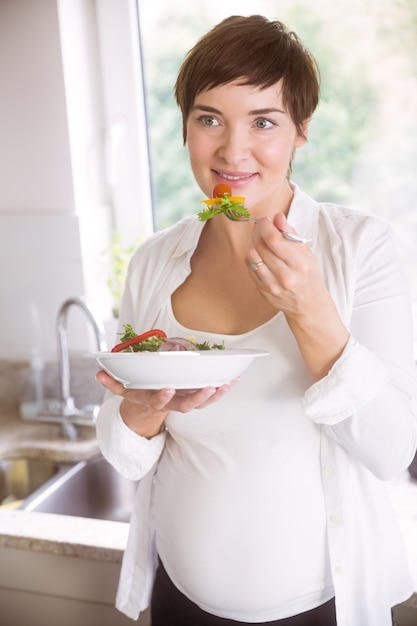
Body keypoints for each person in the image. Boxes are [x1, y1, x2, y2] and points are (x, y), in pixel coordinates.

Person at [95, 14, 417, 626]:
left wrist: (312, 312)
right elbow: (126, 453)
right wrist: (140, 410)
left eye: (263, 122)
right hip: (178, 600)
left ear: (301, 131)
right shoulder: (154, 262)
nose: (232, 151)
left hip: (320, 608)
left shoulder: (359, 248)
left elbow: (391, 450)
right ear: (186, 127)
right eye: (208, 118)